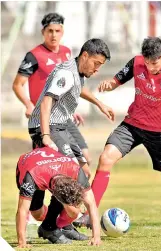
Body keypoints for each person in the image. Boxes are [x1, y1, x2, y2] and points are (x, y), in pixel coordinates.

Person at [74, 37, 161, 235]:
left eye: (154, 63)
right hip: (133, 125)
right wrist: (110, 84)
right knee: (105, 158)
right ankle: (90, 214)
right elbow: (118, 79)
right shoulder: (137, 62)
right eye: (147, 63)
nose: (149, 68)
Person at [27, 38, 114, 241]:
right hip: (46, 126)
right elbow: (47, 100)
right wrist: (46, 135)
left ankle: (62, 224)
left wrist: (99, 103)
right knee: (68, 173)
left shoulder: (77, 71)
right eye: (96, 63)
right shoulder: (66, 72)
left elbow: (77, 88)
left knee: (83, 170)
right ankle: (49, 227)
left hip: (61, 125)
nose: (97, 69)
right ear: (85, 56)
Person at [12, 12, 91, 165]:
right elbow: (17, 84)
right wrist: (28, 104)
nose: (53, 35)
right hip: (43, 118)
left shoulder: (66, 52)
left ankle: (78, 189)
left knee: (85, 159)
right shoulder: (34, 56)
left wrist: (71, 109)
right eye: (50, 31)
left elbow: (68, 84)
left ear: (62, 32)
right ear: (43, 32)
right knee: (45, 163)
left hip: (62, 116)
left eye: (57, 31)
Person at [16, 146, 101, 248]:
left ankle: (54, 227)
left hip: (53, 167)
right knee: (37, 214)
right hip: (29, 165)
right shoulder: (32, 177)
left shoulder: (76, 171)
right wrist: (22, 242)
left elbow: (91, 203)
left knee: (74, 212)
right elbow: (22, 210)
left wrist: (96, 236)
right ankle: (52, 225)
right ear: (58, 198)